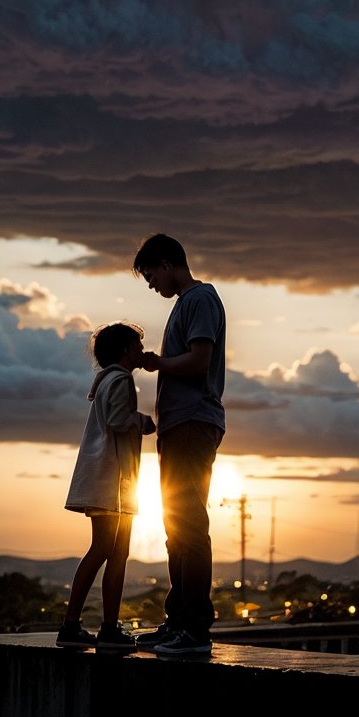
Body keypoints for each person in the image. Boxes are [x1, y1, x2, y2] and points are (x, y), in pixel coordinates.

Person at [132, 232, 226, 656]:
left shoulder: (199, 299)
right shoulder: (182, 306)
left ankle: (194, 630)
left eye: (151, 274)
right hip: (177, 425)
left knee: (189, 524)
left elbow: (199, 360)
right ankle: (178, 622)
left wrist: (158, 363)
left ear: (168, 263)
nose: (151, 284)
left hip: (193, 422)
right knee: (176, 528)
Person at [58, 321, 155, 650]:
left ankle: (105, 627)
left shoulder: (107, 380)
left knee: (116, 552)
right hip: (111, 481)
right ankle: (75, 625)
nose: (142, 351)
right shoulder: (122, 380)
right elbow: (117, 420)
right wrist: (142, 421)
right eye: (138, 347)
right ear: (126, 350)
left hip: (114, 482)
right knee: (106, 550)